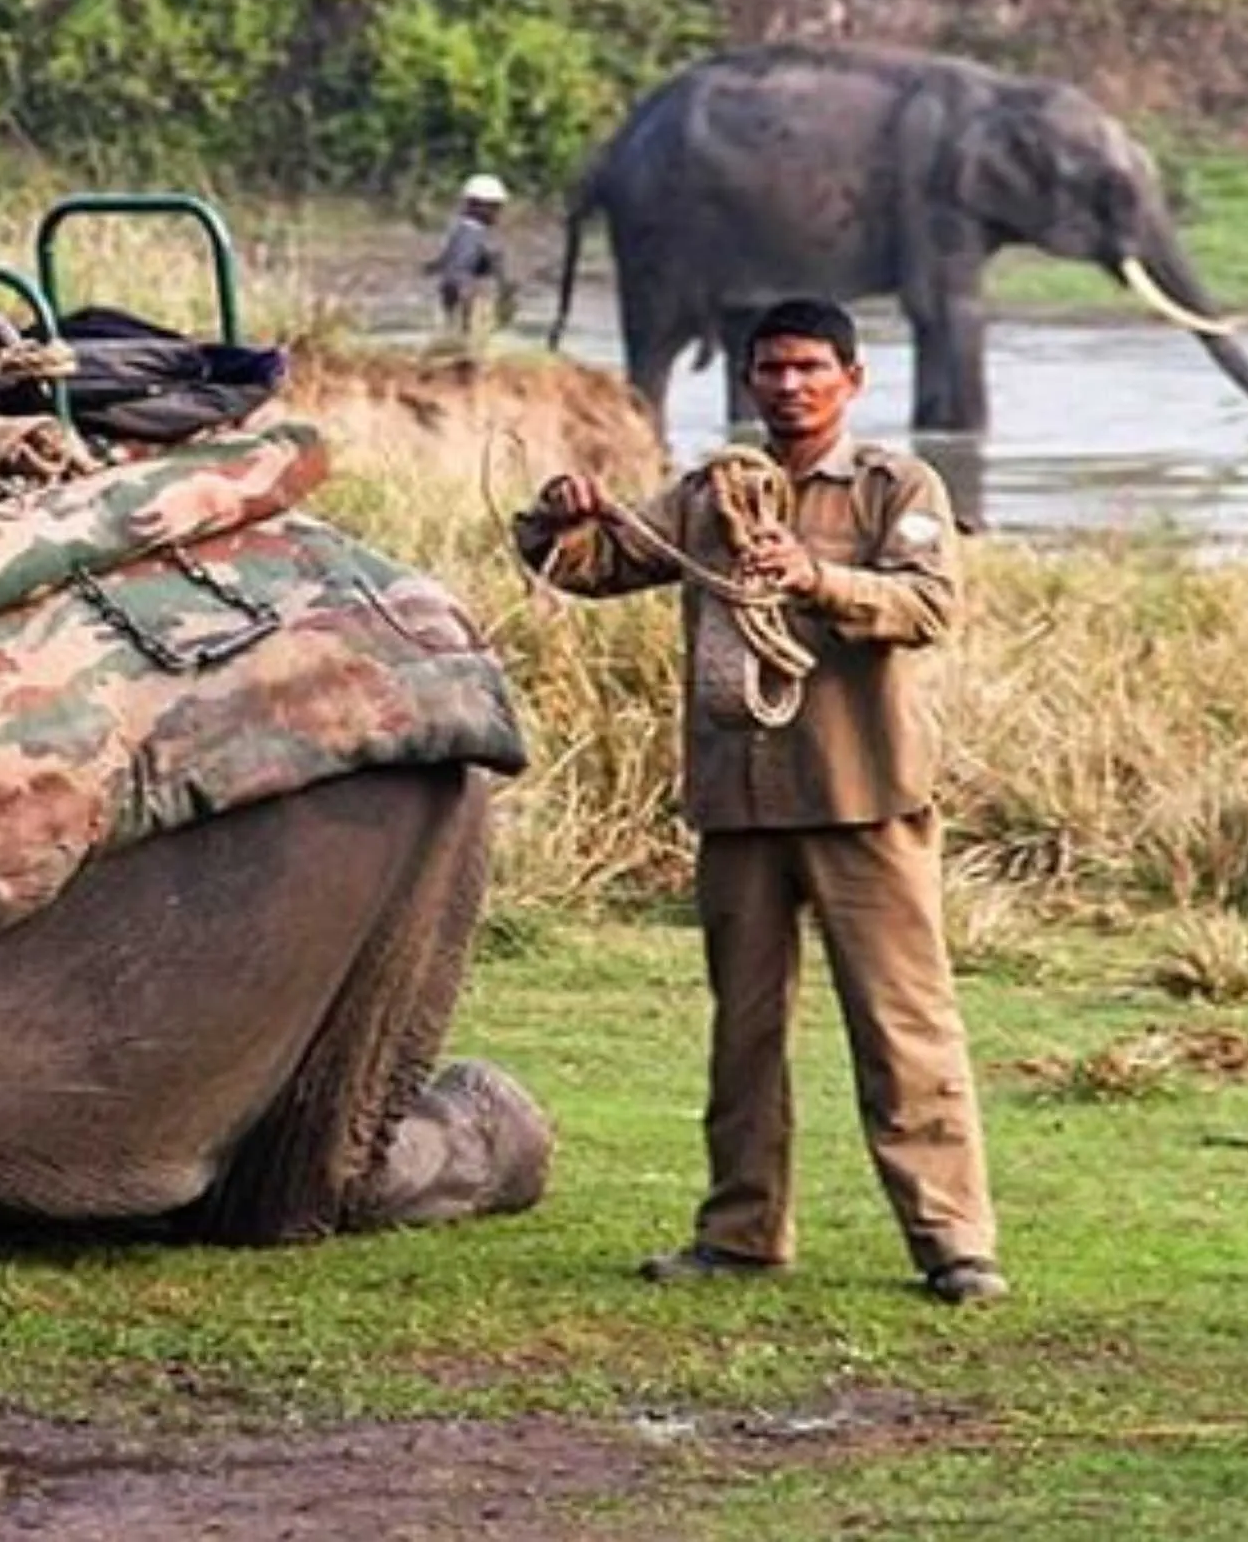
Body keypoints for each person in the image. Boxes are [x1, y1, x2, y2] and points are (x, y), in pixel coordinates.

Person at [513, 297, 1005, 1305]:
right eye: (771, 368)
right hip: (740, 802)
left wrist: (817, 577)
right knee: (743, 1030)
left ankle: (954, 1242)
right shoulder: (711, 492)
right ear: (747, 379)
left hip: (860, 797)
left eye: (810, 368)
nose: (788, 384)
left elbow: (930, 604)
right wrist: (558, 515)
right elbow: (593, 567)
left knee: (903, 1026)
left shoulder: (893, 485)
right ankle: (741, 1231)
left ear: (851, 380)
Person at [427, 174, 512, 346]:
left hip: (460, 302)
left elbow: (445, 266)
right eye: (494, 207)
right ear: (475, 206)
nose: (497, 213)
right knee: (467, 346)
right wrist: (467, 310)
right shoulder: (470, 234)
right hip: (469, 305)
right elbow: (459, 272)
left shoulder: (461, 231)